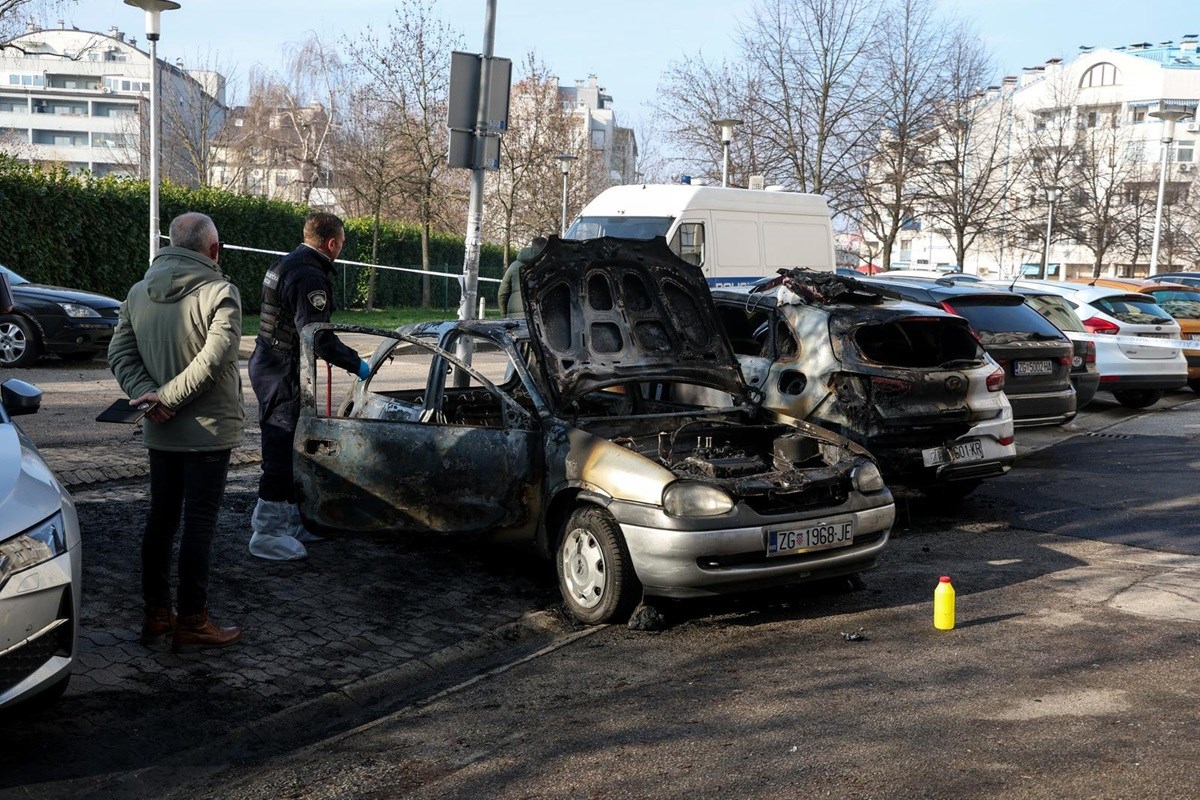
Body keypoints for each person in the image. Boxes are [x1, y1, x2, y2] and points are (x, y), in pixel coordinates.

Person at [108, 212, 244, 653]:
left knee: (161, 521)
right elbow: (216, 360)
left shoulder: (135, 292)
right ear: (212, 251)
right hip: (207, 431)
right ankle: (192, 621)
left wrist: (150, 396)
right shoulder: (220, 291)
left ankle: (155, 616)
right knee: (198, 526)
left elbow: (120, 354)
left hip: (160, 429)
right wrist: (165, 396)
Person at [247, 212, 369, 560]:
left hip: (276, 363)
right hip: (281, 368)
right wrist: (358, 364)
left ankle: (291, 521)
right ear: (331, 243)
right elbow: (317, 337)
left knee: (293, 444)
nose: (341, 250)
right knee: (280, 447)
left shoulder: (289, 263)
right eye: (341, 244)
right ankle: (267, 533)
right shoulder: (308, 275)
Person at [496, 235, 547, 317]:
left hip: (514, 316)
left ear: (532, 246)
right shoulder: (548, 265)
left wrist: (505, 315)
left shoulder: (514, 266)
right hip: (540, 315)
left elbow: (502, 294)